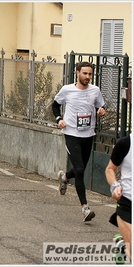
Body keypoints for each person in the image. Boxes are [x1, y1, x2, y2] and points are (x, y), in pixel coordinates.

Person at [52, 61, 106, 222]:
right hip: (71, 133)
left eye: (90, 74)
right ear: (77, 73)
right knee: (80, 169)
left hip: (88, 134)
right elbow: (55, 105)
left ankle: (65, 177)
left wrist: (101, 111)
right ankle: (85, 208)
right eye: (85, 73)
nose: (88, 77)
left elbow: (100, 107)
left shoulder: (95, 90)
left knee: (79, 169)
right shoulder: (67, 90)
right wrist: (59, 119)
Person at [105, 133, 132, 262]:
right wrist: (115, 186)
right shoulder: (126, 143)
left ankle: (122, 245)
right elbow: (110, 169)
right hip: (128, 204)